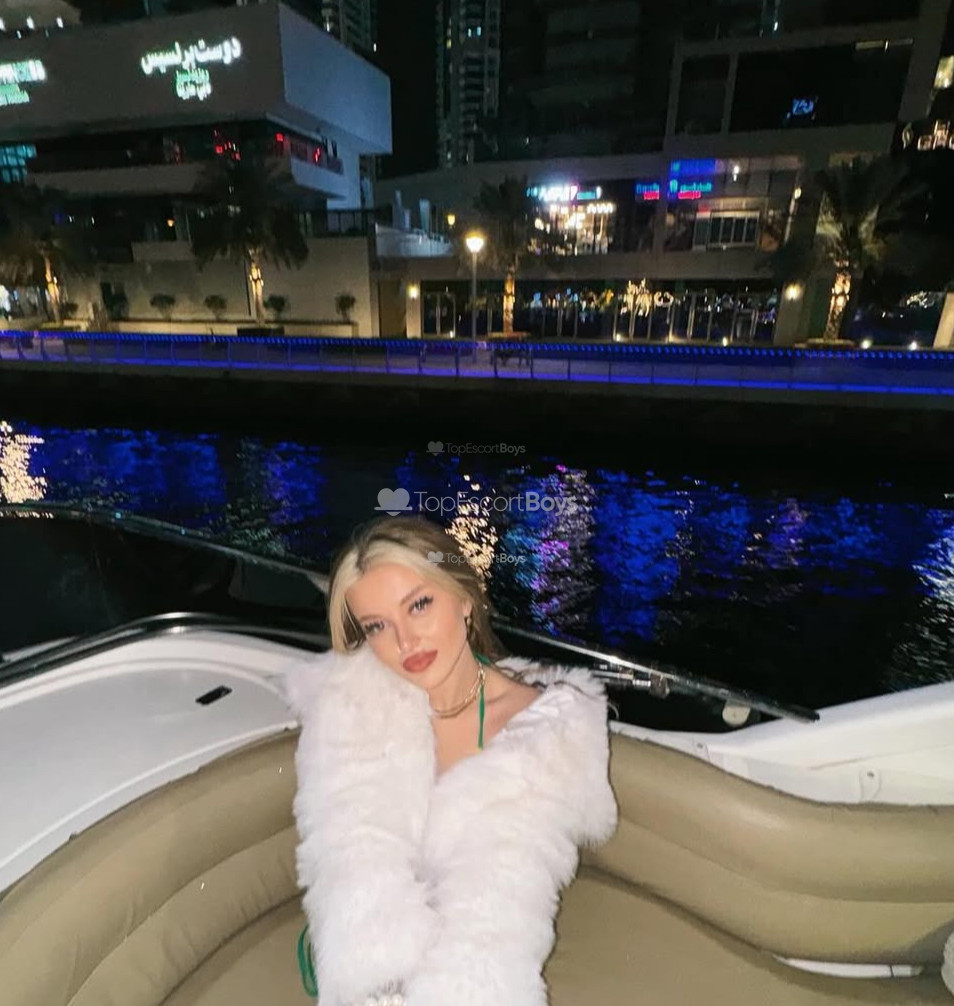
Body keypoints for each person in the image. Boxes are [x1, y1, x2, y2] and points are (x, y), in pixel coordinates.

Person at [282, 515, 619, 1006]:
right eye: (377, 626)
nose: (405, 642)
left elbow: (493, 927)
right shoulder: (352, 708)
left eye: (419, 605)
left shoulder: (545, 740)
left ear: (464, 598)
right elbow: (346, 876)